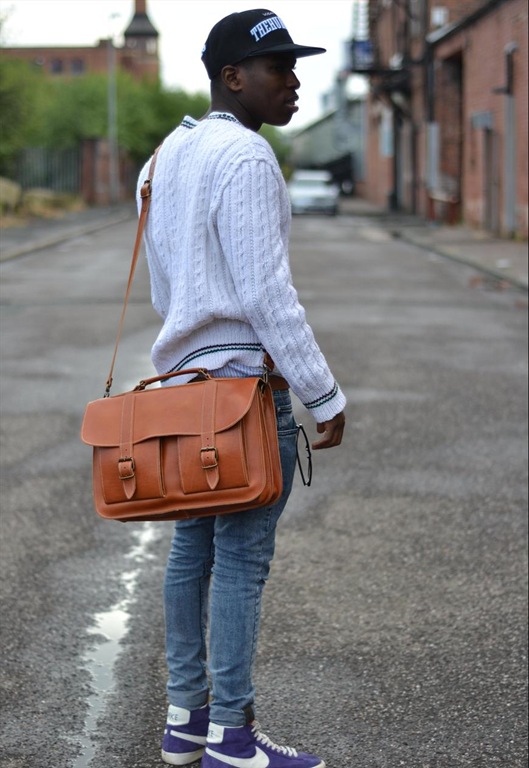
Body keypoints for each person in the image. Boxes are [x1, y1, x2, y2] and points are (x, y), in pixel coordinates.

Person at [136, 9, 346, 768]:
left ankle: (184, 723)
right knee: (242, 563)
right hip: (241, 393)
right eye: (277, 69)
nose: (294, 82)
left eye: (295, 67)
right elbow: (265, 292)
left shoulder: (163, 158)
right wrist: (322, 393)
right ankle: (232, 735)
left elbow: (167, 287)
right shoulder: (248, 158)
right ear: (233, 77)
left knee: (191, 551)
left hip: (182, 385)